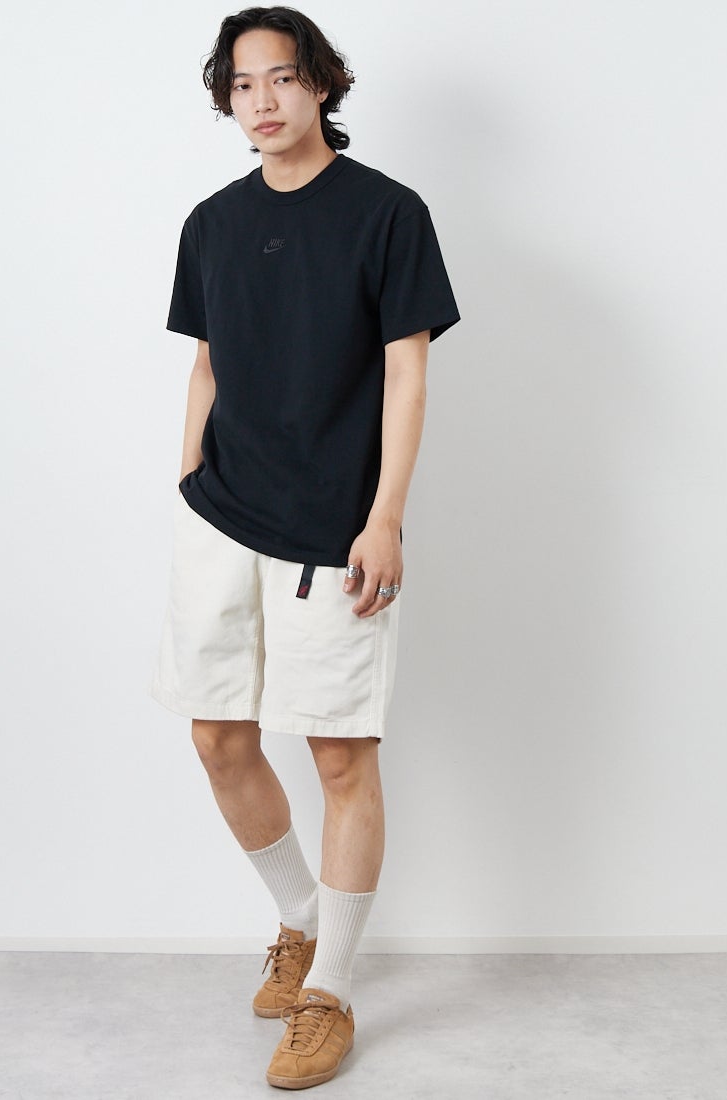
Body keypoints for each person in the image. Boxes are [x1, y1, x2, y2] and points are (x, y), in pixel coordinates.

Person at [152, 5, 459, 1089]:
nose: (263, 101)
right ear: (226, 100)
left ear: (320, 83)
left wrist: (385, 516)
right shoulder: (211, 223)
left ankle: (326, 992)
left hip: (334, 525)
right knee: (216, 737)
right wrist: (187, 483)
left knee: (339, 754)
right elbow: (206, 363)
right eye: (242, 85)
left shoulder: (387, 212)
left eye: (281, 77)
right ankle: (299, 918)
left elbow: (408, 370)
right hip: (220, 514)